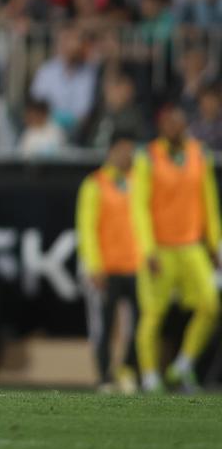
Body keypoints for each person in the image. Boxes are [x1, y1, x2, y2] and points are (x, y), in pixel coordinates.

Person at [130, 105, 221, 393]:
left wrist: (215, 244)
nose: (174, 126)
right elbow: (139, 207)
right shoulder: (148, 157)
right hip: (161, 248)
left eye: (178, 121)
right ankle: (149, 376)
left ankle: (183, 364)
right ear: (161, 126)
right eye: (169, 122)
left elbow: (209, 202)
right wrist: (148, 250)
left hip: (191, 245)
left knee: (210, 305)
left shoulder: (199, 154)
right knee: (153, 314)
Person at [76, 130, 140, 393]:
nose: (127, 156)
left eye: (130, 151)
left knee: (136, 325)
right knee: (102, 324)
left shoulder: (139, 181)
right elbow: (87, 227)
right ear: (111, 151)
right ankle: (104, 377)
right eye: (123, 150)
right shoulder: (95, 184)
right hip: (106, 266)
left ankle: (126, 371)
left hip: (135, 266)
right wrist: (94, 265)